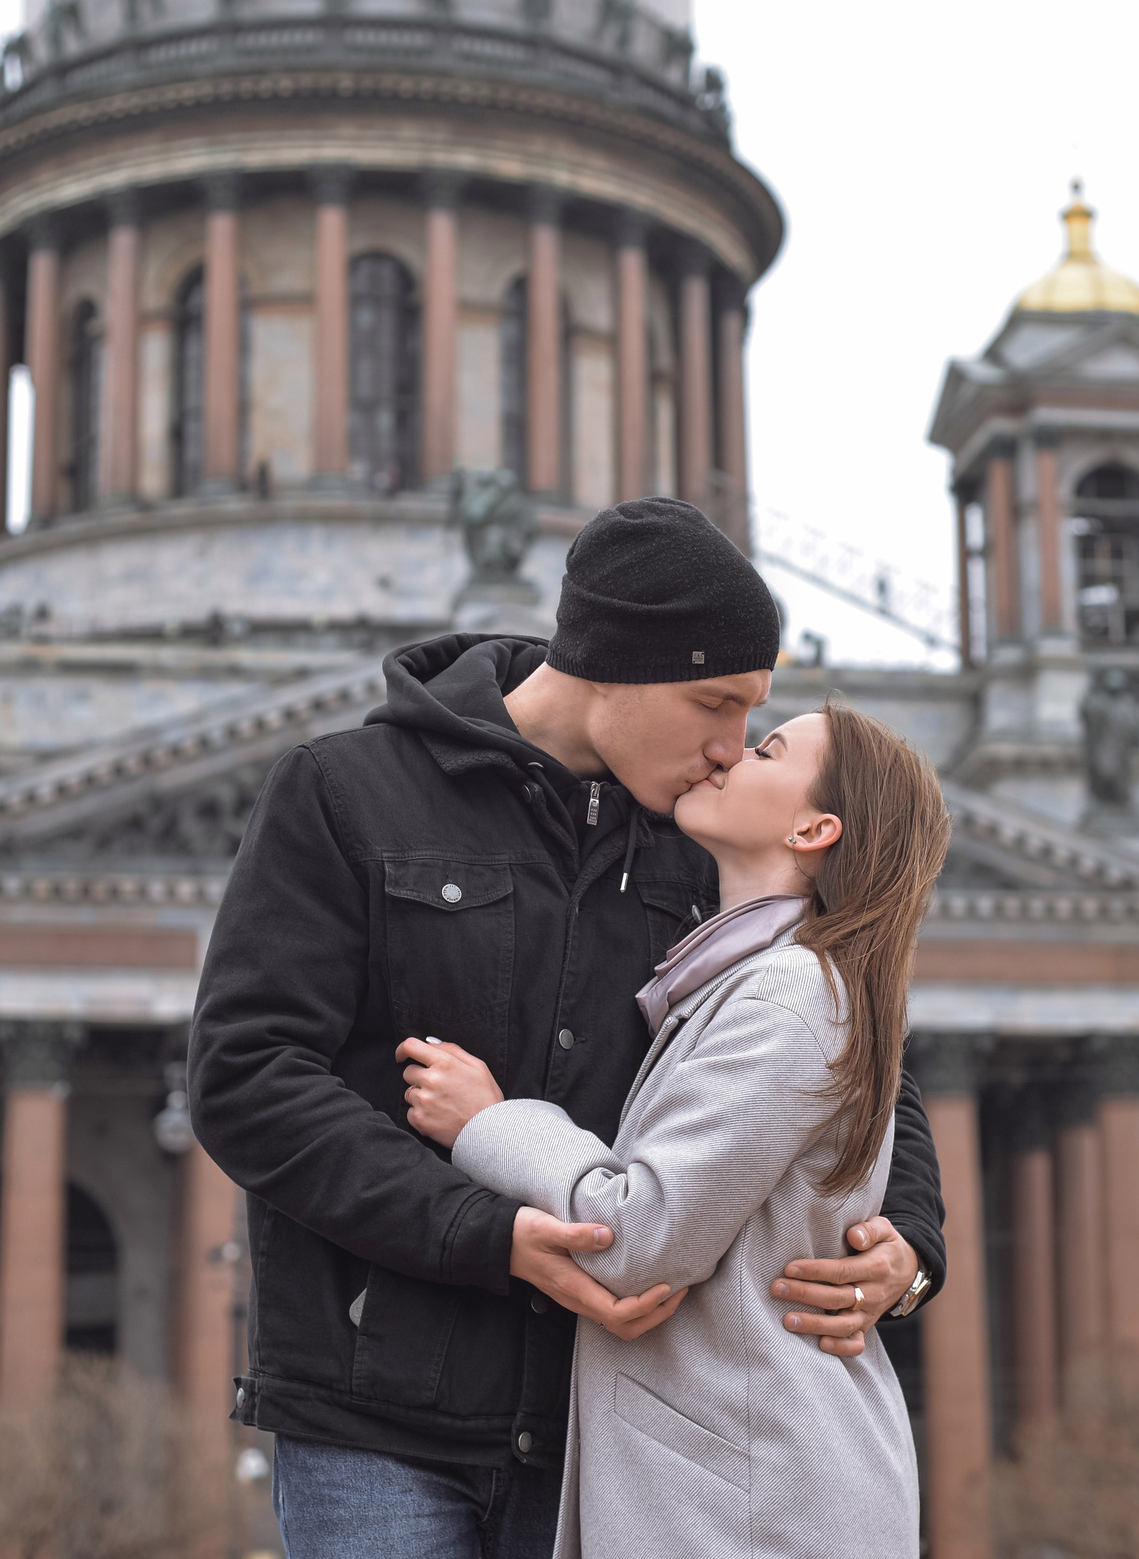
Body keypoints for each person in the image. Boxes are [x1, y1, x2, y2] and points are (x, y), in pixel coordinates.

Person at [188, 499, 947, 1559]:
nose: (730, 751)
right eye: (712, 705)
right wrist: (487, 1234)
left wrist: (906, 1244)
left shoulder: (710, 845)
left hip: (614, 1431)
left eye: (753, 721)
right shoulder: (346, 793)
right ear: (615, 666)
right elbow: (246, 1075)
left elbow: (861, 1057)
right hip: (378, 1419)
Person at [402, 700, 947, 1557]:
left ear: (814, 828)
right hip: (745, 1491)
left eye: (765, 749)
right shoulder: (759, 981)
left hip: (753, 1507)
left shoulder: (789, 995)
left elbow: (638, 1239)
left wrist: (492, 1120)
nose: (728, 753)